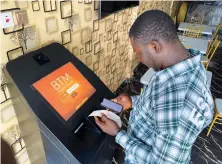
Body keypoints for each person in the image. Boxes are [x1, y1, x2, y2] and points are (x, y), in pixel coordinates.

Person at [95, 10, 214, 164]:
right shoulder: (187, 66)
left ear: (154, 47)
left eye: (138, 53)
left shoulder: (177, 100)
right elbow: (159, 105)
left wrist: (117, 133)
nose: (140, 59)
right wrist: (133, 101)